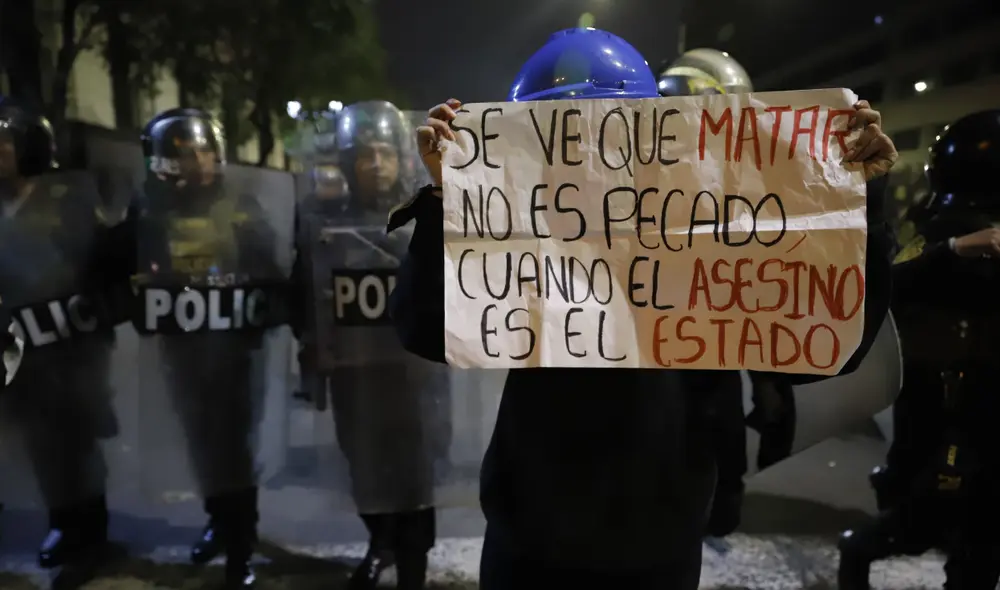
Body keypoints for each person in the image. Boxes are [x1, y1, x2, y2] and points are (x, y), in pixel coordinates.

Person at [388, 28, 898, 588]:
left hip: (656, 546)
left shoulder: (707, 231)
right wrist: (444, 201)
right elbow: (423, 330)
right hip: (530, 538)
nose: (581, 152)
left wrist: (860, 200)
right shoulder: (520, 231)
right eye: (558, 133)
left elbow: (819, 354)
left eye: (597, 130)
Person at [116, 107, 294, 589]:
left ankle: (241, 543)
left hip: (235, 352)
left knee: (233, 447)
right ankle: (220, 520)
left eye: (202, 152)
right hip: (184, 351)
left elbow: (271, 268)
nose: (195, 163)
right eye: (181, 155)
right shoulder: (150, 209)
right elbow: (120, 263)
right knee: (202, 445)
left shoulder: (241, 204)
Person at [838, 109, 1000, 590]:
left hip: (988, 409)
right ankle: (858, 556)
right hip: (939, 403)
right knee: (915, 521)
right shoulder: (939, 231)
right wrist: (953, 249)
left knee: (981, 549)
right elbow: (884, 286)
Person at [297, 100, 452, 590]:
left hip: (416, 376)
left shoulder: (426, 211)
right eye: (365, 156)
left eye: (385, 153)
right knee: (364, 468)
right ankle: (379, 543)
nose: (377, 165)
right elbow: (307, 292)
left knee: (417, 474)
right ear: (348, 162)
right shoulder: (325, 224)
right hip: (356, 376)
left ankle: (413, 568)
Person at [0, 97, 123, 569]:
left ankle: (92, 528)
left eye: (6, 143)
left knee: (79, 436)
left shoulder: (68, 197)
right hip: (20, 345)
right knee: (40, 441)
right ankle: (63, 522)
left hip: (72, 340)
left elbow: (98, 257)